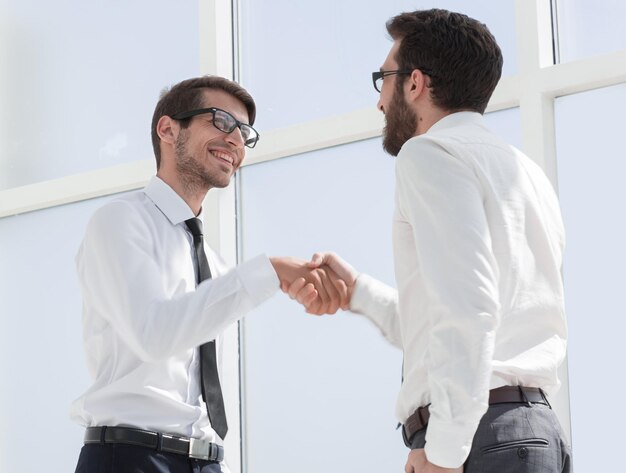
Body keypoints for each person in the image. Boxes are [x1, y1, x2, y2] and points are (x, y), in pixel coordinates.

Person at [287, 9, 571, 473]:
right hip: (534, 432)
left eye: (383, 78)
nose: (380, 101)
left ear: (414, 83)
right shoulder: (526, 173)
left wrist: (444, 452)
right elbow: (456, 318)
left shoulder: (430, 153)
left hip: (481, 436)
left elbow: (468, 309)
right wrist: (357, 290)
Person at [70, 75, 345, 473]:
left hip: (206, 461)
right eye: (220, 120)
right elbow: (153, 333)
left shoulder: (212, 262)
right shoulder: (120, 221)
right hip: (131, 457)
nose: (236, 139)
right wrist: (269, 272)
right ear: (168, 129)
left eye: (245, 131)